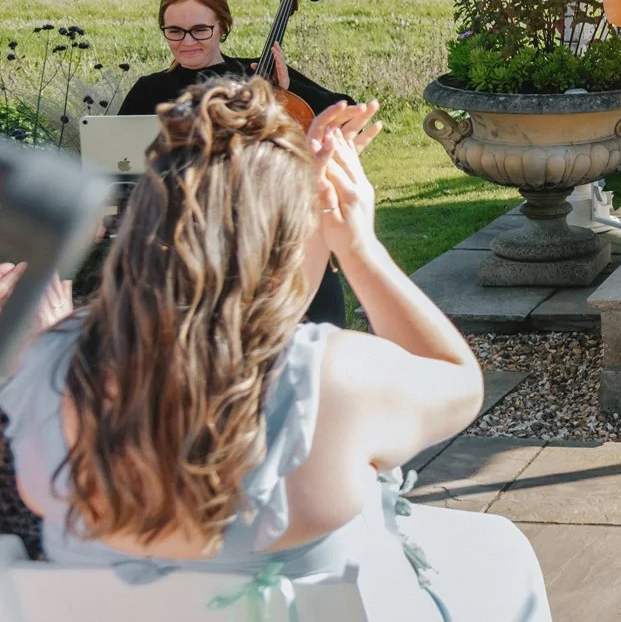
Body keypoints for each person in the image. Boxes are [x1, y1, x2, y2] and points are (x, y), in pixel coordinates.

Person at [1, 78, 551, 619]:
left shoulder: (47, 367)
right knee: (500, 551)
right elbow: (456, 381)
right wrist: (358, 245)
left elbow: (264, 312)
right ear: (283, 239)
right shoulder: (334, 380)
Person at [120, 0, 353, 327]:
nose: (186, 41)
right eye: (174, 31)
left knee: (317, 324)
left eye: (200, 29)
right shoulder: (149, 91)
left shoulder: (257, 73)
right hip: (189, 236)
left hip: (269, 224)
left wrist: (288, 90)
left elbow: (346, 114)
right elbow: (120, 163)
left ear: (223, 27)